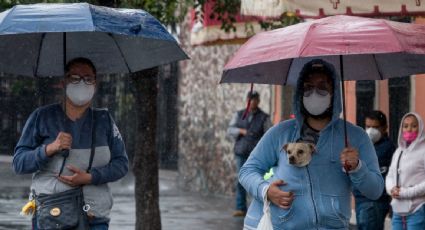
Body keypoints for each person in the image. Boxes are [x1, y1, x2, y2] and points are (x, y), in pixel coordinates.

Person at [239, 59, 384, 229]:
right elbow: (247, 171)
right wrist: (266, 190)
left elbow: (375, 191)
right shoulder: (280, 132)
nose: (314, 93)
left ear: (335, 92)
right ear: (300, 93)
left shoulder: (355, 136)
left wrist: (358, 168)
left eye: (322, 87)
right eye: (308, 87)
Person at [12, 57, 129, 229]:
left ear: (95, 85)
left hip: (94, 218)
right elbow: (19, 164)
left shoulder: (104, 120)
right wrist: (49, 149)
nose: (82, 83)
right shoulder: (42, 117)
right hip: (52, 215)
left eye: (88, 78)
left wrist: (90, 177)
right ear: (63, 82)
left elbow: (121, 164)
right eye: (75, 78)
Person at [227, 91, 272, 217]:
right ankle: (240, 207)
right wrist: (240, 130)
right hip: (241, 151)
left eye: (255, 100)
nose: (252, 102)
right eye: (250, 99)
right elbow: (230, 130)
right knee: (241, 180)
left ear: (258, 101)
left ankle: (257, 208)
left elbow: (269, 135)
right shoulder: (239, 114)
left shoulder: (264, 117)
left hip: (257, 154)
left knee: (258, 180)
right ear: (247, 100)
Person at [353, 110, 395, 230]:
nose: (371, 130)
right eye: (368, 126)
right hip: (361, 199)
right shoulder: (363, 145)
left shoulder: (386, 148)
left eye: (375, 127)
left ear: (384, 128)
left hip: (373, 201)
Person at [386, 112, 425, 230]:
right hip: (398, 210)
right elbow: (390, 176)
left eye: (414, 126)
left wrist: (405, 193)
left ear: (421, 128)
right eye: (405, 126)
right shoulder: (399, 151)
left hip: (417, 209)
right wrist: (391, 189)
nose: (409, 129)